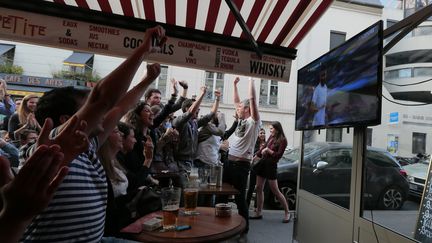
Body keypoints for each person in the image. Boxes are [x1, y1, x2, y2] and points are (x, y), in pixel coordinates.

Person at [19, 25, 166, 242]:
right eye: (88, 107)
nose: (103, 114)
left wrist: (145, 81)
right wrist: (143, 51)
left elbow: (119, 108)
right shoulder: (48, 150)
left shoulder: (86, 145)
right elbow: (103, 99)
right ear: (66, 121)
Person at [223, 77, 260, 233]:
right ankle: (222, 226)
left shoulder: (254, 121)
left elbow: (251, 99)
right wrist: (234, 84)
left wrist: (251, 79)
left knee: (239, 199)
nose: (236, 108)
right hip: (229, 163)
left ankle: (244, 228)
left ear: (247, 109)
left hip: (241, 166)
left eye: (240, 107)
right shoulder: (240, 120)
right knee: (222, 195)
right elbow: (237, 101)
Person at [250, 121, 290, 223]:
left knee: (275, 191)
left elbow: (278, 155)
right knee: (259, 188)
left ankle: (287, 212)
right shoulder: (271, 138)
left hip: (271, 166)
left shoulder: (283, 140)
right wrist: (255, 157)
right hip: (263, 164)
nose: (270, 130)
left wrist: (268, 150)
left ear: (277, 129)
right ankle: (259, 212)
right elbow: (263, 148)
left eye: (271, 129)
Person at [247, 128, 266, 209]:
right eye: (261, 133)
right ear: (258, 135)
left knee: (260, 188)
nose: (262, 134)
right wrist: (260, 150)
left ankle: (256, 206)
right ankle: (247, 204)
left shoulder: (267, 143)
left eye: (263, 133)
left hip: (263, 168)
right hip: (255, 168)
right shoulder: (255, 143)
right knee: (251, 187)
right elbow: (253, 154)